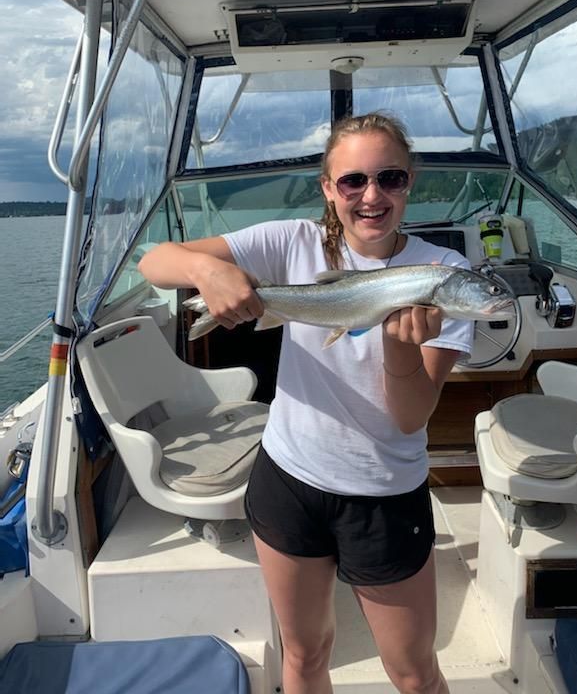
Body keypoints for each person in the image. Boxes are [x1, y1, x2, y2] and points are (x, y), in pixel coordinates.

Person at [138, 112, 473, 694]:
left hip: (384, 493)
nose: (372, 196)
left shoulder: (446, 274)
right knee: (303, 653)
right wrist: (207, 271)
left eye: (390, 178)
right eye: (353, 181)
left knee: (416, 675)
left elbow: (410, 416)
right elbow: (153, 260)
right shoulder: (291, 242)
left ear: (410, 182)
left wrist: (398, 349)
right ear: (328, 188)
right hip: (289, 479)